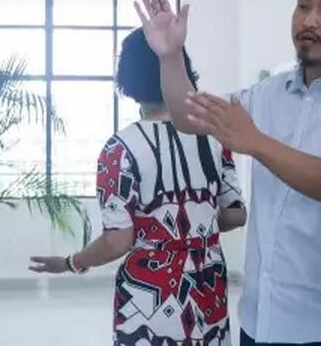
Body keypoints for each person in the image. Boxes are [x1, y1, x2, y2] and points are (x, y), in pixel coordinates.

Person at [136, 0, 321, 346]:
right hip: (259, 320)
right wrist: (170, 56)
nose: (310, 20)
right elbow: (187, 116)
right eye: (303, 5)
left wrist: (255, 141)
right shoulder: (269, 93)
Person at [29, 28, 246, 346]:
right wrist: (197, 226)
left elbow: (118, 241)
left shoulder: (119, 150)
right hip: (207, 288)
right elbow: (235, 215)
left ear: (127, 79)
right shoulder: (213, 137)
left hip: (149, 296)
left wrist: (71, 262)